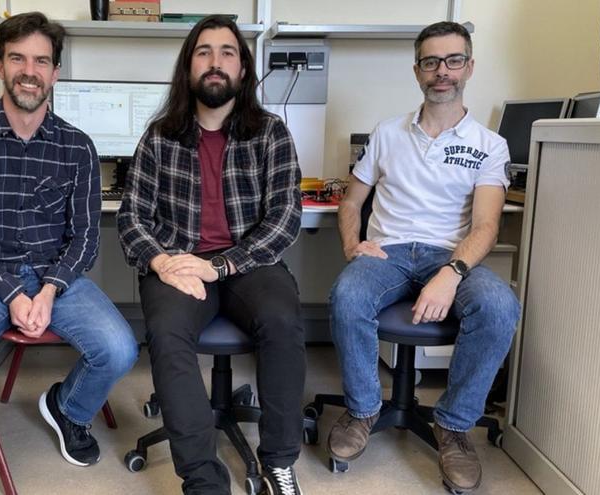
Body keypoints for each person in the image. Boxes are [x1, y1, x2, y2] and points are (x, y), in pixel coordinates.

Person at [0, 12, 138, 495]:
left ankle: (67, 408)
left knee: (120, 347)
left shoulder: (77, 147)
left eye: (41, 60)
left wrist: (46, 291)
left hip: (52, 275)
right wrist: (10, 292)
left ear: (56, 72)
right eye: (17, 57)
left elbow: (86, 237)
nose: (30, 70)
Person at [326, 21, 520, 494]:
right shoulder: (387, 132)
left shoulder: (489, 146)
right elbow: (351, 202)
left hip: (452, 255)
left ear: (469, 67)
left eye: (454, 60)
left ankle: (453, 426)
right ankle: (363, 410)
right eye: (431, 62)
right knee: (346, 294)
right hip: (388, 252)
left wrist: (451, 274)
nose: (442, 72)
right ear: (417, 71)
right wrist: (353, 247)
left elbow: (487, 226)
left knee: (499, 306)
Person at [117, 15, 306, 495]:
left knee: (283, 322)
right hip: (177, 263)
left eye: (227, 52)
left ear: (243, 69)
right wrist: (161, 262)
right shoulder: (160, 136)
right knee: (166, 331)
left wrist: (222, 264)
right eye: (204, 52)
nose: (215, 62)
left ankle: (279, 462)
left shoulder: (270, 133)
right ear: (188, 67)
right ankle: (203, 480)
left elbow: (285, 217)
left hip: (248, 263)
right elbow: (131, 216)